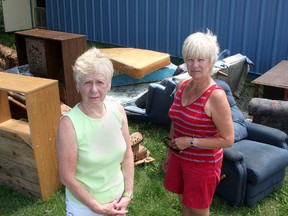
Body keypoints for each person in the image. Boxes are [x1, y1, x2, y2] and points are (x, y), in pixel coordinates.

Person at [164, 30, 234, 216]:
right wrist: (169, 153)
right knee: (185, 205)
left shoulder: (216, 96)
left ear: (211, 61)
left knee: (198, 211)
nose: (194, 65)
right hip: (179, 158)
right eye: (190, 59)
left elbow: (228, 140)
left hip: (202, 165)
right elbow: (175, 123)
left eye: (201, 60)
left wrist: (190, 141)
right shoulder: (181, 86)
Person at [56, 47, 134, 215]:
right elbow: (67, 177)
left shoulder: (118, 111)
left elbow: (127, 154)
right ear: (77, 85)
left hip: (117, 201)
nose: (94, 90)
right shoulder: (69, 124)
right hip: (85, 208)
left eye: (99, 82)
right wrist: (97, 207)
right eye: (87, 82)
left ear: (109, 84)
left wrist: (128, 193)